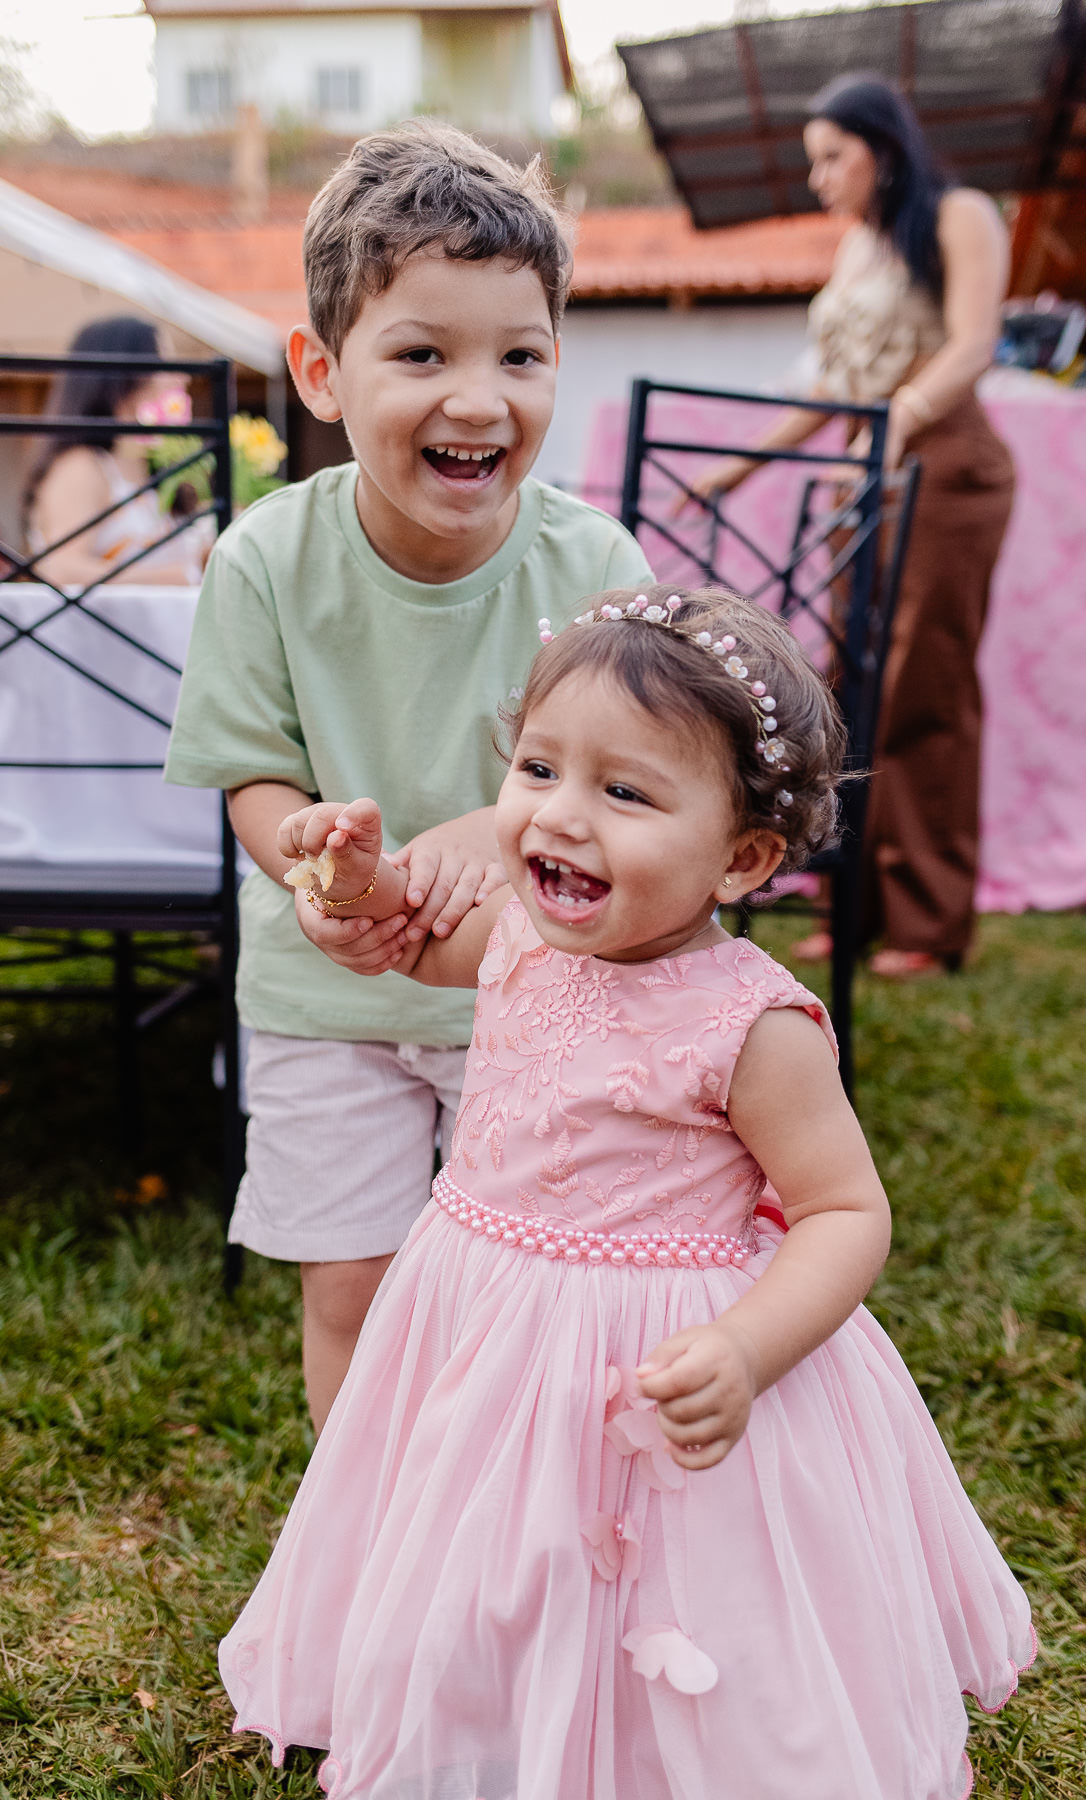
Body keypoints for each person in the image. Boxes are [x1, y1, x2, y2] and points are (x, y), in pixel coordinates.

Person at [220, 586, 1034, 1800]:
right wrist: (357, 887)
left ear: (744, 858)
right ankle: (491, 1713)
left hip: (657, 1350)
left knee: (662, 1568)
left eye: (626, 793)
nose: (560, 815)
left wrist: (749, 1350)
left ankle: (663, 1744)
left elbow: (844, 1212)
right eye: (541, 767)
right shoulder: (517, 934)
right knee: (500, 1543)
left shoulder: (751, 1025)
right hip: (485, 1315)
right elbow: (403, 934)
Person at [164, 122, 652, 1433]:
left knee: (532, 1282)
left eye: (520, 356)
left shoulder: (596, 561)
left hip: (536, 983)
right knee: (359, 1283)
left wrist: (473, 837)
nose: (479, 398)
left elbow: (626, 790)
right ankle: (366, 1534)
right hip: (324, 989)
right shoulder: (265, 562)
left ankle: (512, 1503)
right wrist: (314, 856)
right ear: (323, 373)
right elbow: (253, 777)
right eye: (423, 354)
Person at [689, 75, 1015, 978]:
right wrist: (737, 467)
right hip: (866, 477)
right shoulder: (859, 248)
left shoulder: (960, 214)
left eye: (835, 157)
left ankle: (929, 923)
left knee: (926, 691)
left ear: (885, 147)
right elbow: (831, 387)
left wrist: (900, 420)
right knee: (855, 698)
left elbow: (973, 342)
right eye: (814, 162)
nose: (821, 178)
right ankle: (859, 911)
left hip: (946, 471)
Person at [24, 315, 208, 588]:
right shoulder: (81, 467)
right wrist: (175, 578)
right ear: (125, 375)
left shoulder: (147, 465)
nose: (180, 377)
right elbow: (60, 569)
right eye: (164, 363)